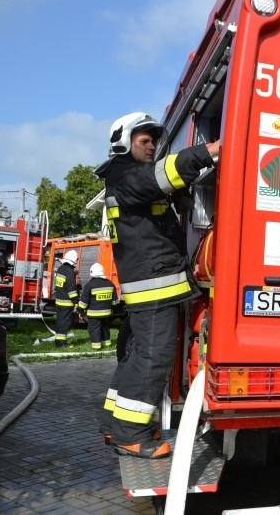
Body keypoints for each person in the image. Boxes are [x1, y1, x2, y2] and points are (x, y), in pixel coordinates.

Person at [94, 112, 220, 459]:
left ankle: (115, 422)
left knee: (139, 354)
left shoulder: (125, 176)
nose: (151, 147)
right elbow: (159, 176)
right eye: (144, 141)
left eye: (154, 142)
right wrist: (208, 151)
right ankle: (129, 434)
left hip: (152, 283)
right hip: (153, 286)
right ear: (124, 142)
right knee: (154, 355)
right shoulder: (124, 174)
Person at [77, 263, 119, 350]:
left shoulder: (89, 285)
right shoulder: (110, 284)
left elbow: (84, 303)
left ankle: (96, 346)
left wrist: (80, 311)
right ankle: (107, 343)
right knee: (105, 327)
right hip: (106, 313)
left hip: (94, 314)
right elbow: (115, 302)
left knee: (94, 329)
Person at [53, 250, 79, 348]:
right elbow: (70, 288)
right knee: (65, 322)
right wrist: (75, 301)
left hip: (59, 300)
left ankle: (58, 341)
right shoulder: (69, 271)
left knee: (60, 321)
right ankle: (61, 343)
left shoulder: (60, 269)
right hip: (67, 302)